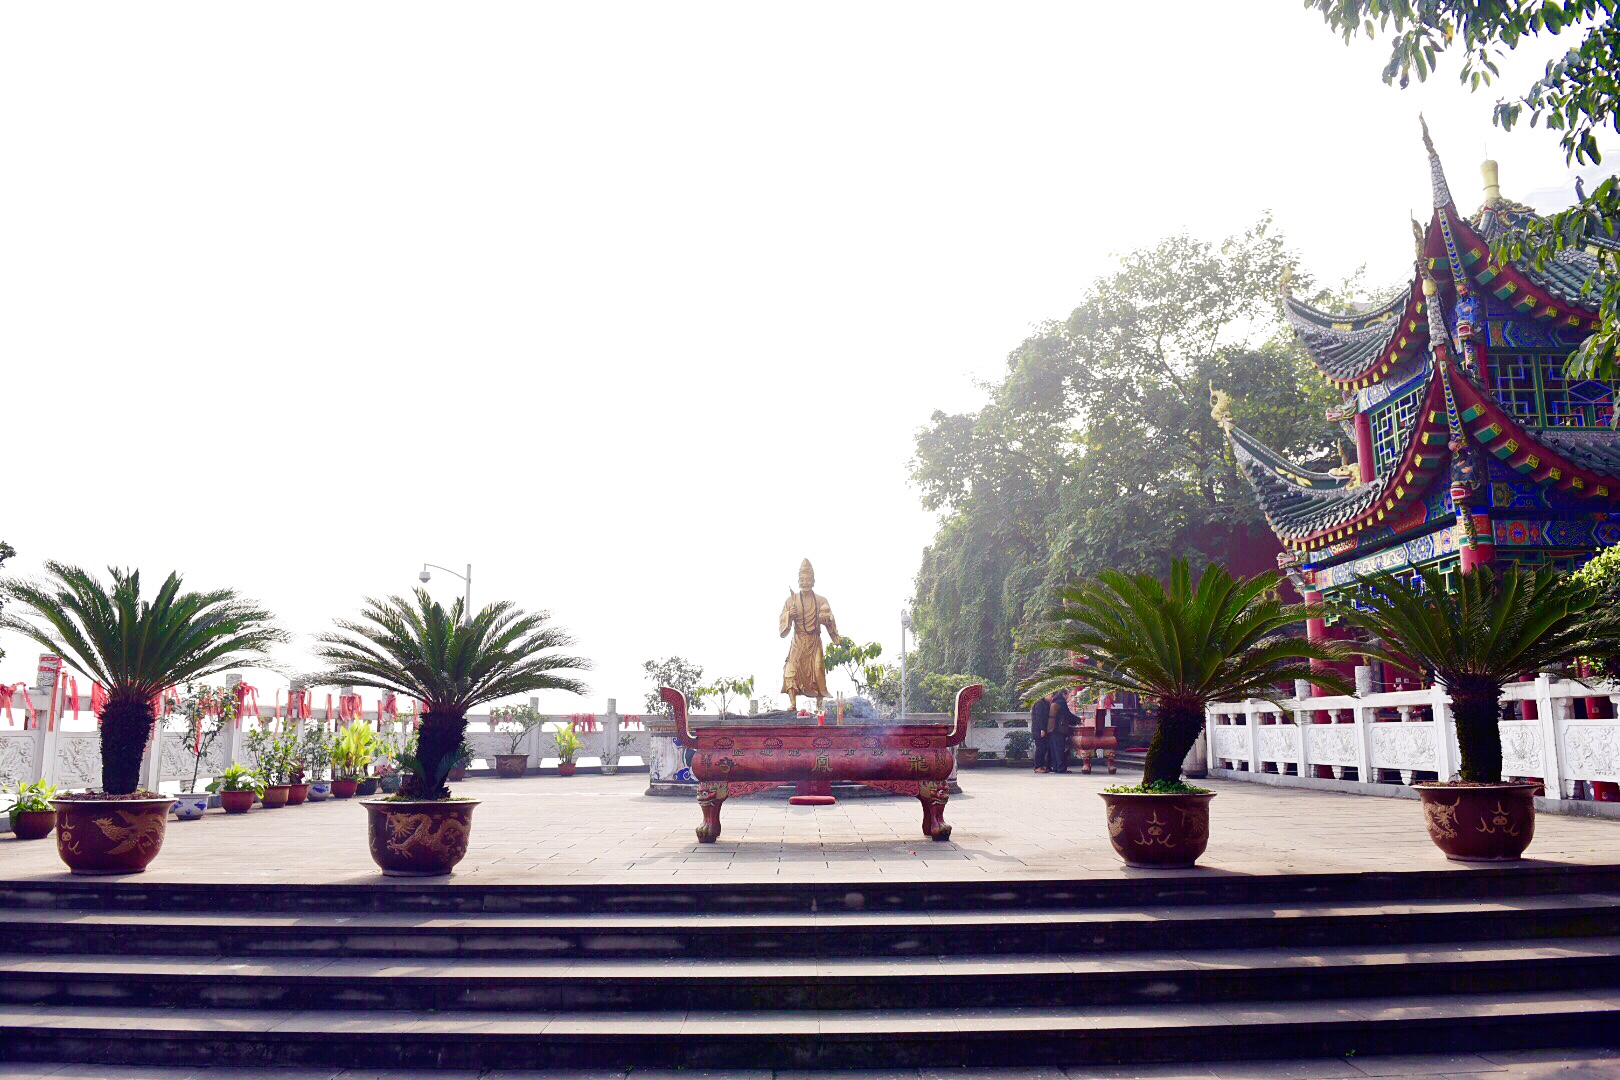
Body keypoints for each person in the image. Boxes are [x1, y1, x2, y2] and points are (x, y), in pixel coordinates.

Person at [1047, 691, 1078, 774]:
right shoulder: (1061, 702)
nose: (1069, 697)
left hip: (1052, 729)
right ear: (1064, 694)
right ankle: (1061, 769)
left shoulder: (1054, 701)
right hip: (1058, 729)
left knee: (1054, 750)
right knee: (1060, 749)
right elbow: (1067, 715)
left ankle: (1056, 768)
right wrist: (1079, 720)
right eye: (1069, 695)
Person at [1030, 693, 1053, 773]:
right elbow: (1040, 718)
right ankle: (1037, 766)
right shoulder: (1039, 703)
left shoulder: (1045, 703)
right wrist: (1042, 729)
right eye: (1050, 694)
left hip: (1042, 730)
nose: (1051, 696)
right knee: (1040, 749)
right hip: (1038, 730)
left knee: (1044, 748)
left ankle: (1042, 766)